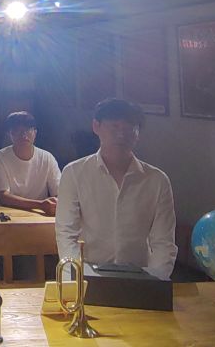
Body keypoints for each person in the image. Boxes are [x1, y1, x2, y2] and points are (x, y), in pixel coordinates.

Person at [56, 98, 177, 279]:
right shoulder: (74, 173)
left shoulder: (157, 180)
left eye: (129, 128)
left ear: (138, 133)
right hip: (90, 274)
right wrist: (78, 277)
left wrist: (155, 280)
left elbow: (163, 242)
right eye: (114, 126)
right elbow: (66, 233)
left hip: (140, 275)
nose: (121, 134)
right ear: (96, 127)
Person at [0, 111, 61, 215]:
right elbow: (3, 196)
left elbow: (59, 192)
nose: (23, 135)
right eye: (17, 130)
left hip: (38, 214)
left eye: (28, 130)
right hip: (5, 213)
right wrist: (40, 205)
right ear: (9, 134)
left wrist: (54, 204)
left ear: (35, 132)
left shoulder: (47, 158)